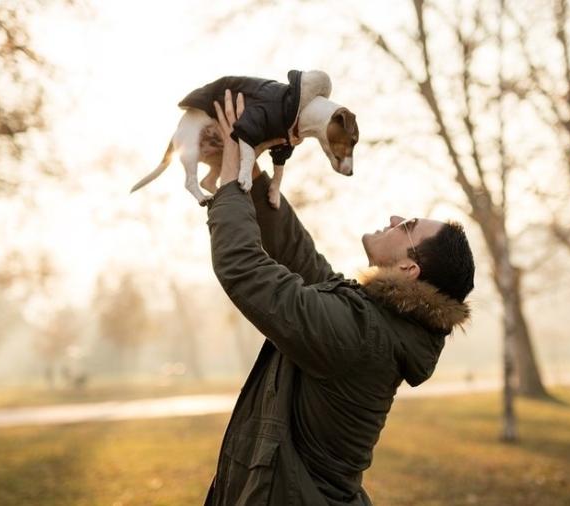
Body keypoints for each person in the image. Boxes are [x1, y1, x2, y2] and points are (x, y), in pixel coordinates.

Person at [203, 90, 475, 505]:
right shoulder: (375, 321)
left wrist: (230, 181)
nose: (396, 218)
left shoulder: (359, 332)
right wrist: (251, 173)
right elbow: (301, 260)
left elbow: (245, 271)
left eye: (409, 226)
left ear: (408, 268)